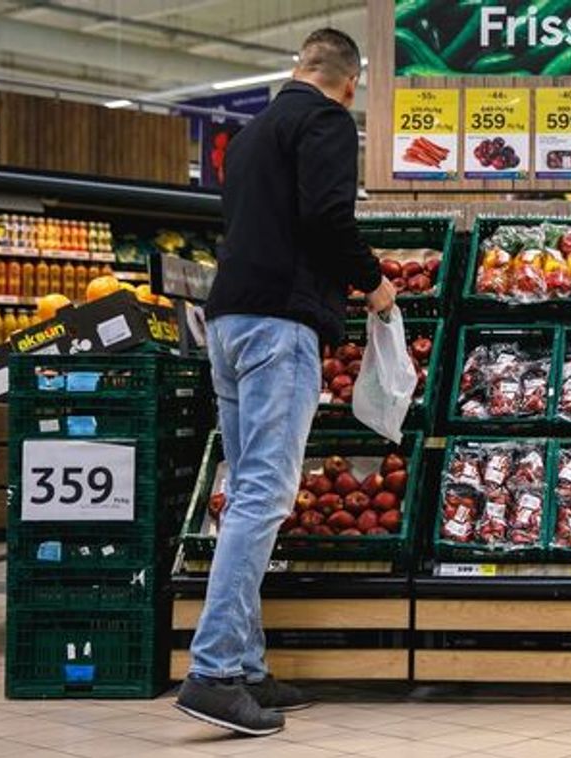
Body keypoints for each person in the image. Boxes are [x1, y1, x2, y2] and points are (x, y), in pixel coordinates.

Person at [175, 28, 394, 736]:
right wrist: (372, 282)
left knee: (245, 491)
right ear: (349, 84)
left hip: (228, 322)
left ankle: (244, 665)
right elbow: (327, 218)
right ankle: (213, 672)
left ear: (299, 66)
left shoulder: (249, 136)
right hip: (279, 326)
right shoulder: (325, 121)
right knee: (265, 496)